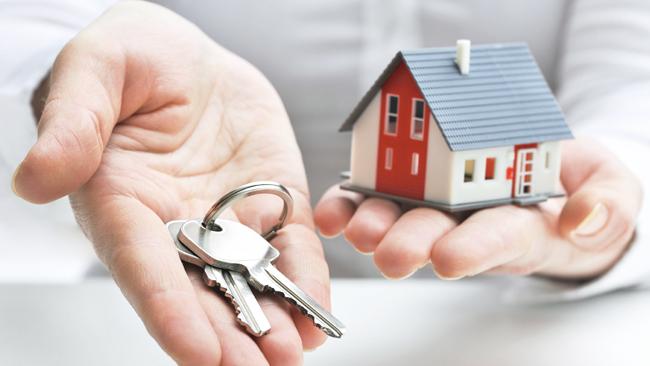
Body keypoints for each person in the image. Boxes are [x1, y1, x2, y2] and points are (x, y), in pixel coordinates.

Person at [1, 0, 649, 364]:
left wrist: (617, 184)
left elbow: (633, 82)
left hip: (532, 331)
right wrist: (57, 78)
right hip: (120, 311)